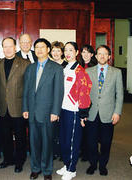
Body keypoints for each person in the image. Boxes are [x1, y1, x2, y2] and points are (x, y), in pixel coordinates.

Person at [22, 38, 64, 180]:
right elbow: (26, 90)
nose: (39, 50)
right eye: (37, 47)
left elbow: (59, 92)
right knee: (33, 143)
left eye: (42, 47)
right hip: (32, 112)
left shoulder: (56, 68)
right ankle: (35, 168)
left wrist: (55, 111)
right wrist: (25, 108)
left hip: (48, 113)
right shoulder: (30, 67)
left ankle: (47, 170)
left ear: (48, 50)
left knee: (47, 143)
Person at [85, 45, 124, 176]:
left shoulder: (116, 72)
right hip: (91, 113)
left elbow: (120, 94)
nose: (102, 56)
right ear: (95, 56)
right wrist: (83, 113)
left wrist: (117, 112)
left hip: (108, 113)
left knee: (106, 142)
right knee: (91, 142)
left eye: (105, 54)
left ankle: (103, 165)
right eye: (99, 54)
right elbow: (84, 94)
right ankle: (92, 164)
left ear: (109, 56)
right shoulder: (88, 71)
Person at [56, 42, 92, 180]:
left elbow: (85, 93)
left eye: (71, 50)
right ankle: (66, 164)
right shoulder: (63, 68)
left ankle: (72, 169)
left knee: (72, 141)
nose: (68, 53)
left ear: (77, 52)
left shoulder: (80, 71)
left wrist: (83, 114)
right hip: (63, 110)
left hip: (74, 111)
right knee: (64, 140)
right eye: (66, 50)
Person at [0, 37, 30, 173]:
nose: (8, 49)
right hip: (3, 107)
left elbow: (28, 87)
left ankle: (19, 161)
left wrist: (27, 107)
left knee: (20, 137)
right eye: (5, 46)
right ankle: (7, 159)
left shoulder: (25, 63)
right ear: (3, 48)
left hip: (18, 107)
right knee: (5, 136)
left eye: (10, 46)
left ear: (15, 47)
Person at [79, 44, 97, 162]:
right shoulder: (78, 67)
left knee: (90, 130)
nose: (85, 55)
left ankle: (90, 152)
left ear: (92, 54)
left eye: (87, 52)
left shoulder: (95, 67)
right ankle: (83, 151)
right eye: (83, 52)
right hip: (80, 101)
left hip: (92, 102)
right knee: (81, 129)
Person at [49, 41, 67, 161]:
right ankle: (54, 151)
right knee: (52, 129)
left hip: (65, 101)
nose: (55, 53)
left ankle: (62, 151)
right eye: (53, 50)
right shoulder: (49, 65)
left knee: (63, 128)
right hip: (51, 101)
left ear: (62, 52)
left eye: (58, 50)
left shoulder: (67, 65)